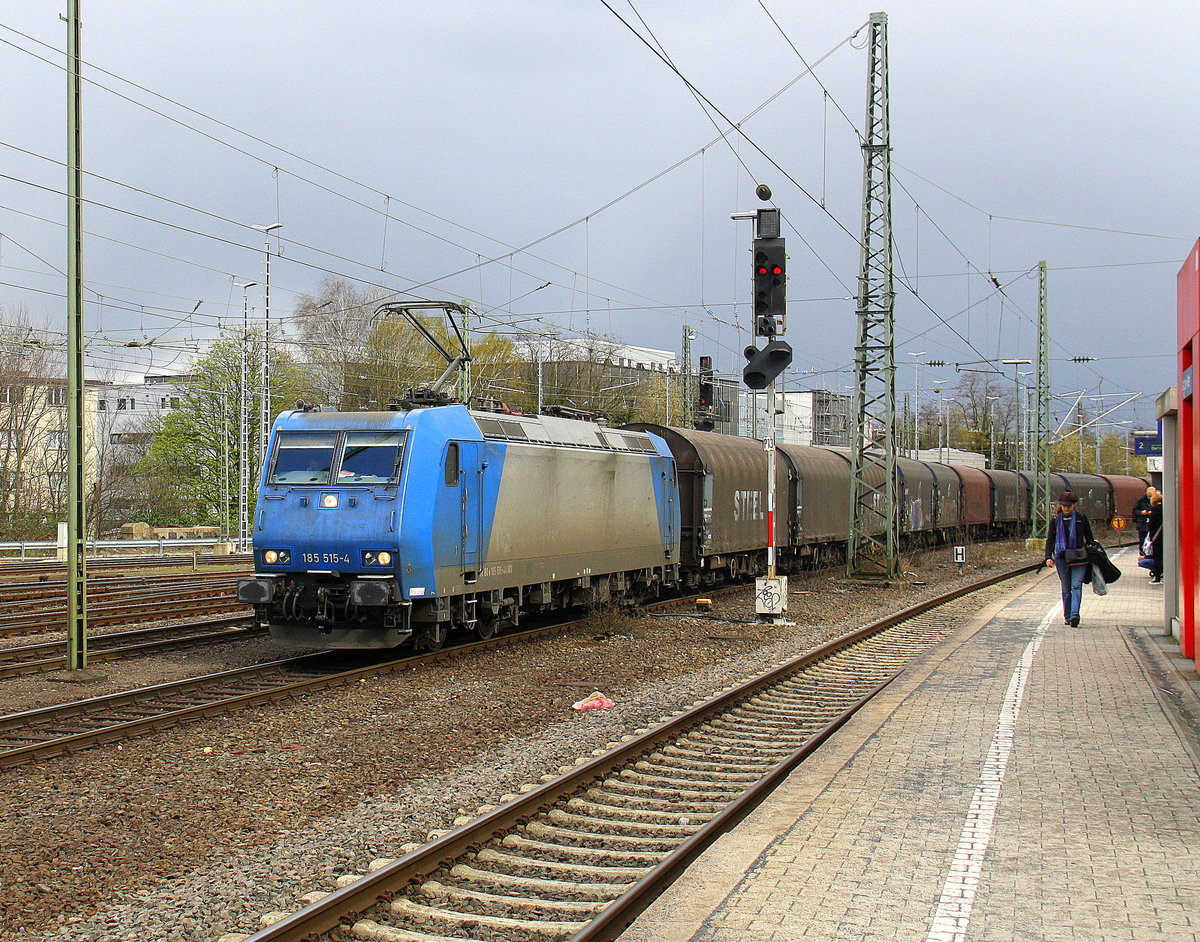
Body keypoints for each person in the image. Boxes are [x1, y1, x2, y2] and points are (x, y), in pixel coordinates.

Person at [1043, 490, 1095, 627]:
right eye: (1064, 506)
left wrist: (1093, 554)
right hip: (1061, 558)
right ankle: (1067, 615)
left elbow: (1089, 538)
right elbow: (1050, 540)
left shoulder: (1080, 518)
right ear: (1060, 505)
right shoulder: (1055, 521)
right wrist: (1048, 557)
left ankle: (1074, 615)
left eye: (1069, 506)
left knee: (1076, 586)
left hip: (1079, 558)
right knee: (1066, 588)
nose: (1066, 508)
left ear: (1074, 506)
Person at [1147, 492, 1165, 585]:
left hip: (1157, 537)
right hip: (1166, 537)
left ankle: (1157, 577)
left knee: (1157, 557)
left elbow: (1150, 524)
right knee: (1165, 556)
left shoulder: (1155, 510)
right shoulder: (1166, 508)